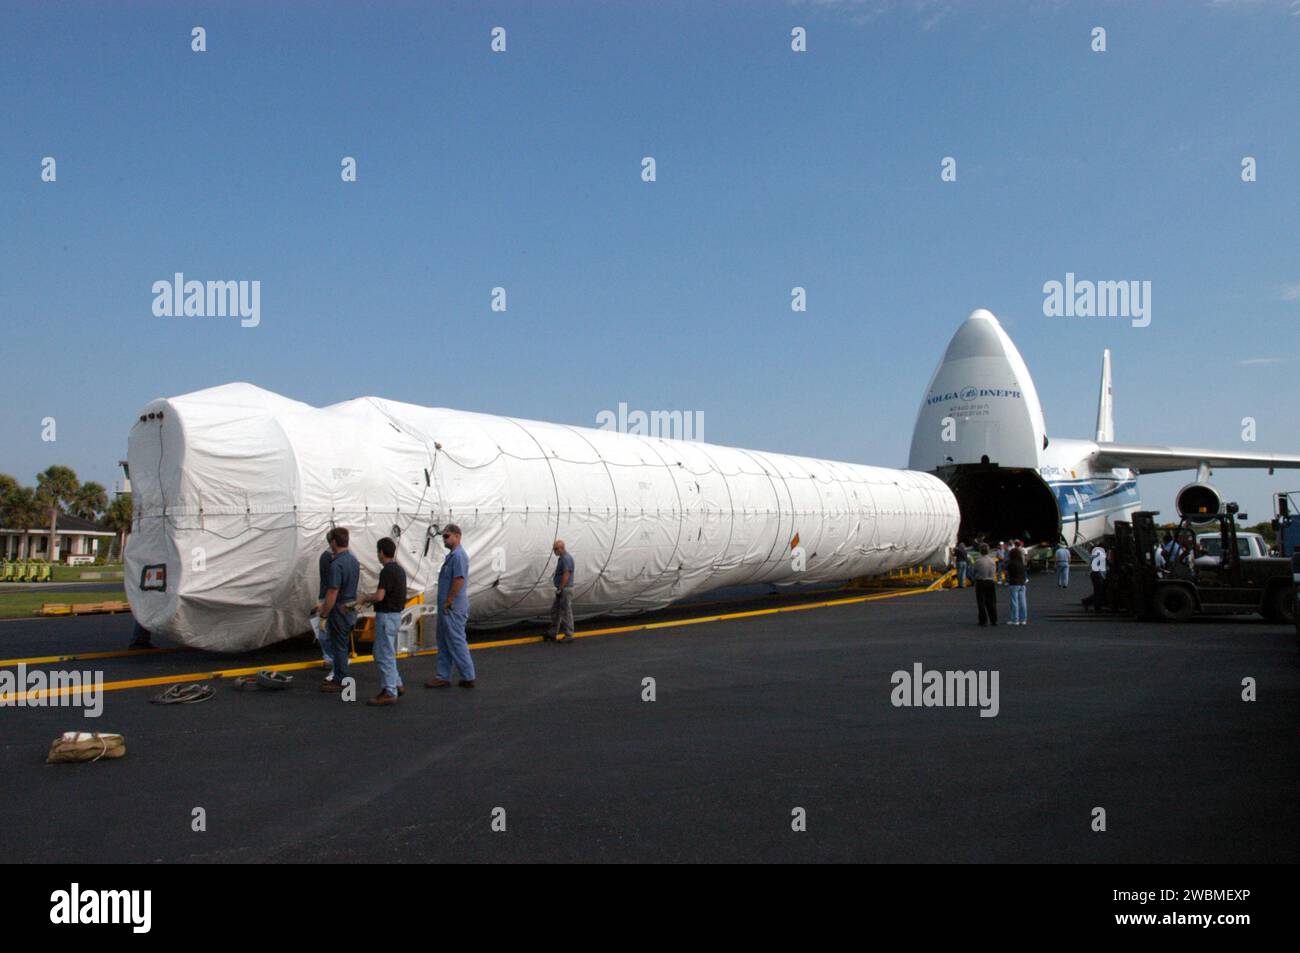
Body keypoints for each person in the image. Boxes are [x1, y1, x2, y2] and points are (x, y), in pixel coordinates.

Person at [427, 524, 475, 688]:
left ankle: (468, 676)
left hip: (452, 607)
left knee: (455, 640)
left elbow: (459, 579)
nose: (444, 540)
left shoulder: (459, 556)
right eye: (443, 537)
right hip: (446, 607)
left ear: (457, 536)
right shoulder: (452, 556)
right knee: (444, 641)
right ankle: (443, 675)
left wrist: (449, 599)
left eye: (447, 536)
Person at [362, 536, 407, 706]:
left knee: (382, 654)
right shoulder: (400, 570)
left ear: (381, 552)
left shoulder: (387, 571)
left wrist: (364, 599)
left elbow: (380, 596)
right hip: (395, 615)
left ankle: (390, 690)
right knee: (388, 652)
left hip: (386, 616)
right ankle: (396, 683)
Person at [316, 527, 360, 693]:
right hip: (350, 607)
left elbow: (332, 591)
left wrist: (324, 613)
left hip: (339, 609)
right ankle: (339, 677)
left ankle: (340, 679)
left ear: (333, 541)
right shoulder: (353, 560)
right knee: (342, 644)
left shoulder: (336, 564)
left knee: (338, 646)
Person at [312, 535, 335, 681]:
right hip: (330, 598)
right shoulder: (341, 558)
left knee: (324, 632)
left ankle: (332, 660)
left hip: (327, 598)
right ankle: (332, 659)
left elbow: (331, 585)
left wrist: (324, 604)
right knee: (327, 632)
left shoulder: (327, 557)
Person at [548, 539, 576, 643]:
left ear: (562, 548)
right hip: (563, 589)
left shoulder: (566, 559)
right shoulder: (562, 558)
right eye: (553, 549)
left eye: (555, 549)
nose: (554, 551)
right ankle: (552, 632)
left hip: (565, 589)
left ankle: (569, 635)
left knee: (565, 612)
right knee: (555, 610)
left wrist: (560, 588)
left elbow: (566, 573)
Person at [972, 543, 998, 626]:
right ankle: (994, 619)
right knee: (992, 601)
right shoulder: (992, 561)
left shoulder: (978, 561)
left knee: (981, 602)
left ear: (980, 551)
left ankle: (983, 620)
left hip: (981, 581)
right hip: (990, 581)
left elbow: (974, 571)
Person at [1081, 543, 1107, 613]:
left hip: (1095, 574)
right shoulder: (1100, 554)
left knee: (1098, 591)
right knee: (1099, 591)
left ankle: (1089, 603)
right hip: (1098, 574)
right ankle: (1093, 605)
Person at [1007, 544, 1028, 625]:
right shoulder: (1022, 563)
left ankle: (1015, 619)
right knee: (1023, 601)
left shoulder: (1011, 563)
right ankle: (1023, 619)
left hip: (1014, 583)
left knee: (1014, 602)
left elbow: (1009, 573)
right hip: (1022, 583)